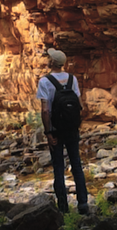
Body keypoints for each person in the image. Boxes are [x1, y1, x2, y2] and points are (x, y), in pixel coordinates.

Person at [37, 48, 90, 215]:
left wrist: (48, 133)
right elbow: (79, 105)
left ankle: (63, 209)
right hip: (71, 129)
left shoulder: (45, 82)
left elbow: (46, 110)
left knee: (58, 168)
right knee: (76, 165)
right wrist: (76, 126)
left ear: (51, 62)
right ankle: (83, 204)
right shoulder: (72, 79)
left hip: (56, 130)